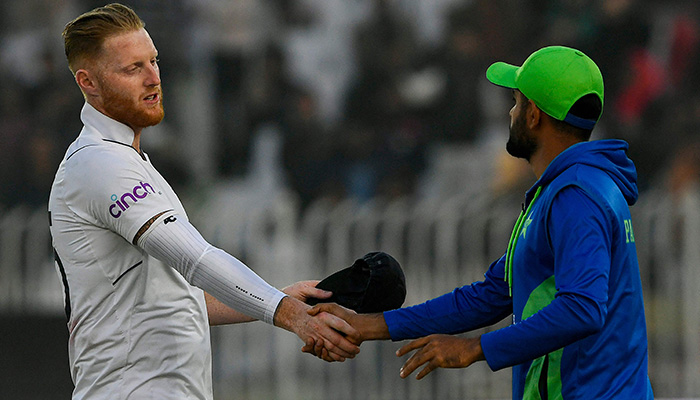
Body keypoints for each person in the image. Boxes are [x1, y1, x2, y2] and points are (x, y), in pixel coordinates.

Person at [48, 4, 359, 399]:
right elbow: (195, 259)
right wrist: (286, 312)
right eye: (132, 69)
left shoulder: (126, 159)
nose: (152, 78)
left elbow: (175, 299)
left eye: (154, 61)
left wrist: (279, 294)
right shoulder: (100, 164)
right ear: (88, 82)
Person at [308, 46, 654, 399]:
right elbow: (493, 294)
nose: (510, 111)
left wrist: (475, 348)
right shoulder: (572, 187)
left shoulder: (576, 194)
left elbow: (583, 308)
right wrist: (370, 325)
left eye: (517, 102)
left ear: (534, 115)